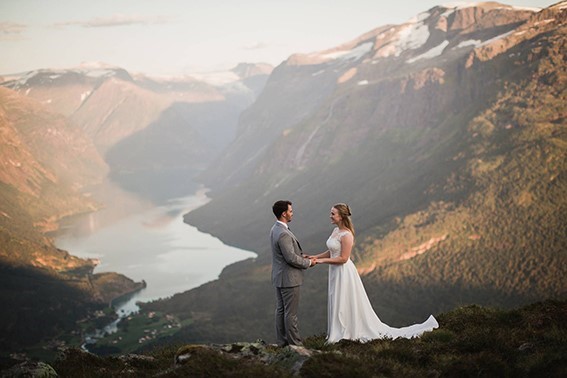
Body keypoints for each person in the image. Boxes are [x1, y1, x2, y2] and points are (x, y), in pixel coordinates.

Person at [309, 203, 438, 343]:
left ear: (341, 216)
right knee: (337, 299)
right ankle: (339, 330)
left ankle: (347, 331)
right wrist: (315, 257)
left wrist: (321, 262)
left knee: (345, 300)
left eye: (333, 213)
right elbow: (333, 251)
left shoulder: (347, 235)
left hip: (343, 272)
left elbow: (343, 258)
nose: (330, 216)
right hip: (334, 271)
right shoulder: (335, 231)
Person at [270, 200, 314, 347]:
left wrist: (302, 256)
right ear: (284, 213)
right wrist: (308, 263)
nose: (292, 213)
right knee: (291, 314)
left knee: (281, 310)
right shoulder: (283, 233)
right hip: (289, 279)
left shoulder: (275, 229)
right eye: (290, 211)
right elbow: (290, 258)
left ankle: (282, 342)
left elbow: (286, 254)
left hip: (279, 277)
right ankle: (295, 345)